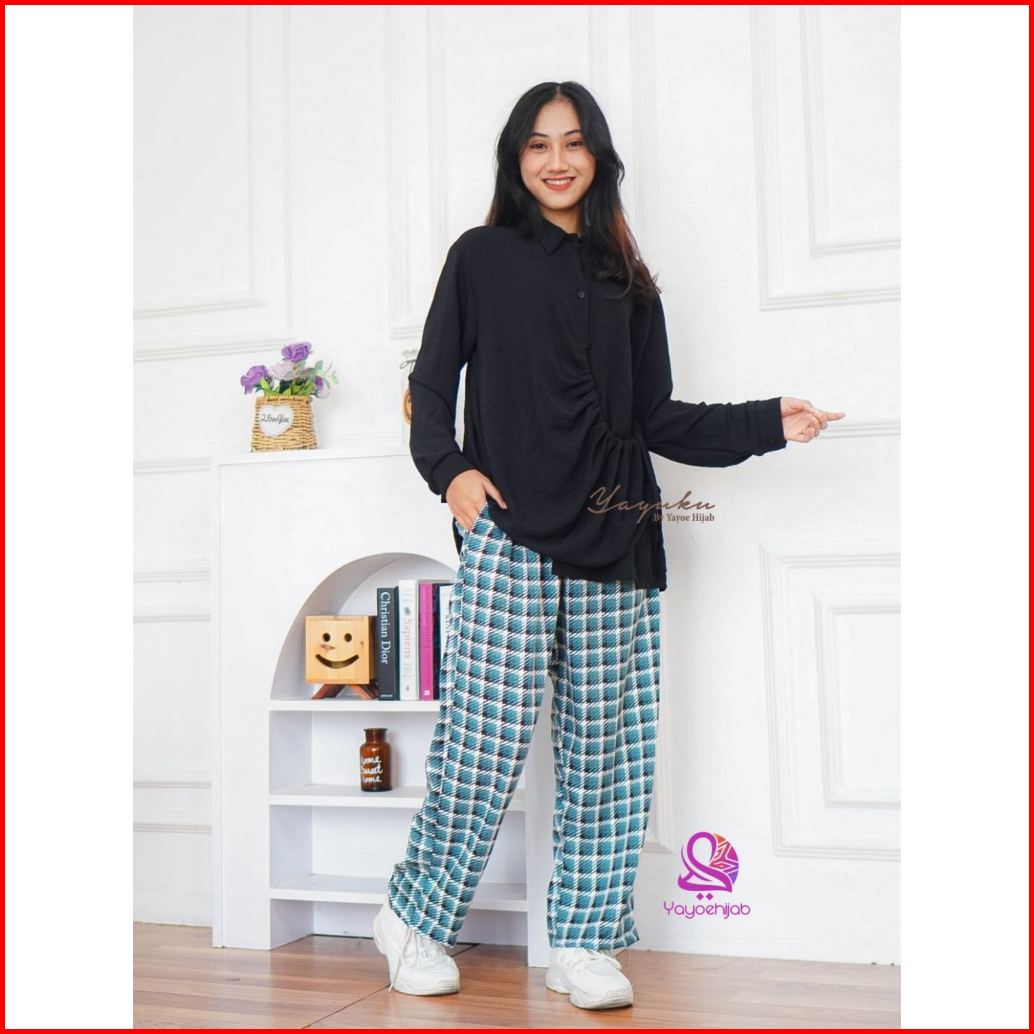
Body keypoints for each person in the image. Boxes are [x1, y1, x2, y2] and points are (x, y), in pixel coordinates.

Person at [373, 81, 844, 1010]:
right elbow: (430, 384)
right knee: (482, 746)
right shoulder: (480, 258)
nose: (557, 160)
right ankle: (414, 918)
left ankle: (584, 943)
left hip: (617, 535)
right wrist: (451, 473)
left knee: (607, 757)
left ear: (599, 157)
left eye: (575, 143)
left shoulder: (630, 283)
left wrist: (767, 423)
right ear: (515, 159)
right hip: (509, 532)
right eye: (538, 144)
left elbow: (657, 417)